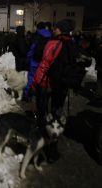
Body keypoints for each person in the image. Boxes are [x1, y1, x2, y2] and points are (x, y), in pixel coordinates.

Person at [32, 19, 75, 162]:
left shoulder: (53, 43)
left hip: (47, 84)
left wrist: (36, 81)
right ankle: (52, 150)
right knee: (56, 116)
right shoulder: (71, 44)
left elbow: (44, 63)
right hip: (62, 87)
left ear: (60, 29)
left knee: (43, 114)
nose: (53, 30)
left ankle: (41, 143)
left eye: (56, 28)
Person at [24, 22, 52, 102]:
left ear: (38, 28)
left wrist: (28, 59)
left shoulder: (37, 36)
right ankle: (40, 95)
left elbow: (32, 49)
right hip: (45, 62)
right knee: (42, 78)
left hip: (35, 61)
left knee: (31, 77)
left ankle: (28, 94)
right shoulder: (50, 36)